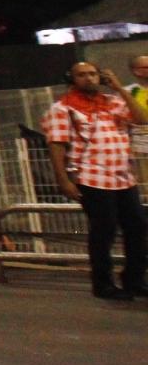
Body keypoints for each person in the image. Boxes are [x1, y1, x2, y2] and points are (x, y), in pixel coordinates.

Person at [42, 62, 148, 299]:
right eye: (82, 75)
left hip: (122, 177)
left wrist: (120, 88)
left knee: (138, 226)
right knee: (104, 230)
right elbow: (56, 146)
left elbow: (142, 119)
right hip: (91, 177)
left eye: (92, 74)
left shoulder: (113, 102)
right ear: (72, 78)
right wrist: (64, 180)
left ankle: (135, 279)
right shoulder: (63, 108)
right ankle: (103, 283)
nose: (88, 78)